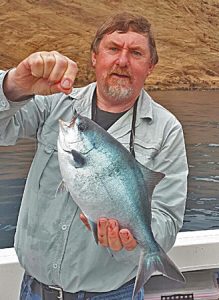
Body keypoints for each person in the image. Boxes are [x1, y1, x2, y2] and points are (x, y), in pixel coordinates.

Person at [0, 12, 188, 300]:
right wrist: (14, 85)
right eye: (113, 49)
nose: (122, 61)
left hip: (114, 294)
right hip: (34, 290)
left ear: (150, 66)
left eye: (136, 53)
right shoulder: (54, 103)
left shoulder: (167, 131)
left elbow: (167, 220)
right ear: (94, 57)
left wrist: (132, 240)